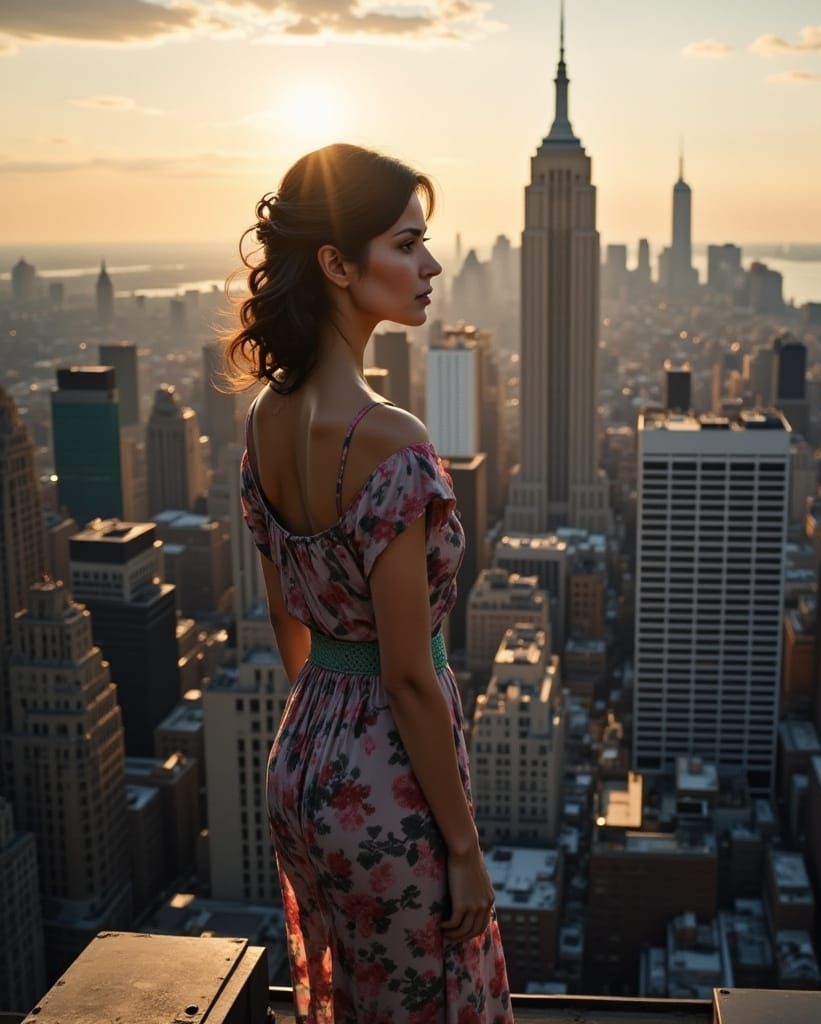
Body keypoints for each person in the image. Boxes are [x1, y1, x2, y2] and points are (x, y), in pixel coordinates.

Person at [225, 143, 513, 1023]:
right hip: (389, 777)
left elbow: (287, 621)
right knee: (429, 997)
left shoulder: (265, 420)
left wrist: (325, 726)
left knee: (350, 994)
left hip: (303, 759)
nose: (430, 266)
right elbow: (407, 673)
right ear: (339, 265)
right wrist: (462, 846)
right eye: (407, 244)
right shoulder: (391, 440)